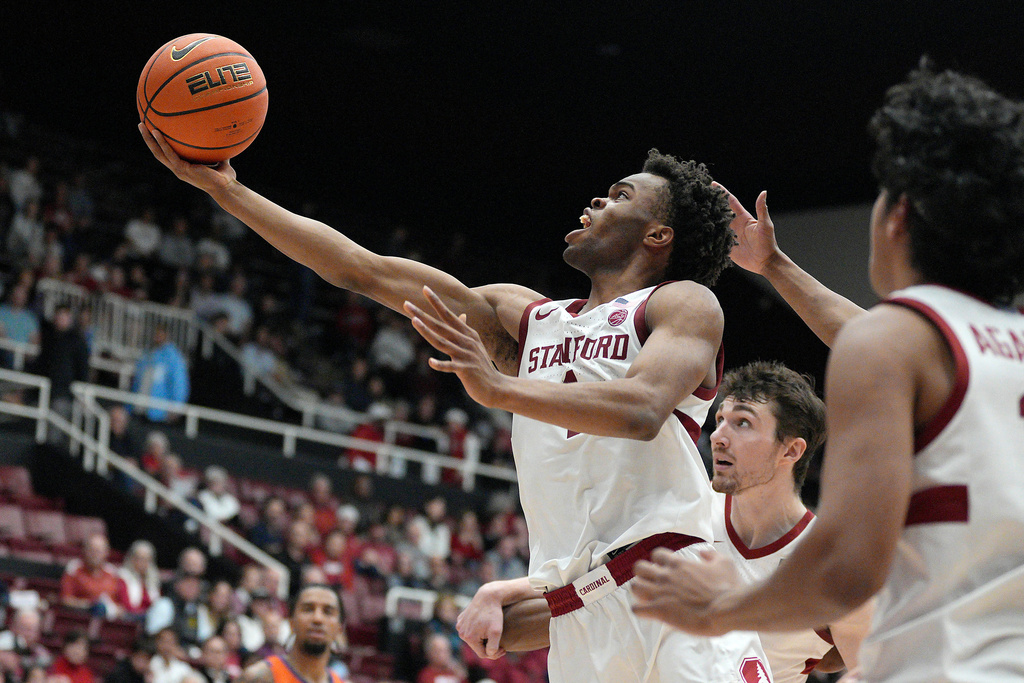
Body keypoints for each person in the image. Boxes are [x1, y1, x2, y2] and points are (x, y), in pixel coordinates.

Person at [140, 124, 767, 681]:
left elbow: (641, 408)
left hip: (680, 586)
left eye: (622, 195)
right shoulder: (525, 318)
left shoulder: (681, 303)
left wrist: (497, 389)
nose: (599, 199)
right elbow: (362, 270)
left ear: (659, 234)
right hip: (578, 609)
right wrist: (227, 191)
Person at [629, 64, 1024, 682]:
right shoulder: (991, 345)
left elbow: (847, 569)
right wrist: (775, 266)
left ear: (899, 216)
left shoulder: (892, 343)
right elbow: (874, 334)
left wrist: (719, 609)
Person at [462, 361, 874, 681]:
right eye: (720, 420)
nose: (718, 436)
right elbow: (598, 587)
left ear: (791, 451)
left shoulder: (832, 563)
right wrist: (508, 589)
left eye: (743, 423)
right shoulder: (679, 507)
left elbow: (866, 670)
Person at [238, 584, 348, 683]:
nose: (317, 618)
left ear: (340, 628)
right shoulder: (258, 678)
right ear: (291, 622)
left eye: (327, 612)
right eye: (308, 609)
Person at [132, 325, 189, 423]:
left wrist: (176, 407)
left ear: (166, 335)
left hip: (159, 413)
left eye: (160, 334)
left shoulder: (173, 357)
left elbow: (179, 384)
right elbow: (138, 381)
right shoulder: (148, 355)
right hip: (140, 409)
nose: (157, 337)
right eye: (156, 334)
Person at [61, 533, 122, 616]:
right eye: (92, 550)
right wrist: (89, 605)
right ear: (84, 550)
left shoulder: (112, 572)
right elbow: (66, 601)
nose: (95, 554)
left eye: (98, 551)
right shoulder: (74, 569)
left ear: (107, 553)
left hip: (111, 618)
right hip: (84, 617)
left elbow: (121, 605)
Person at [116, 539, 162, 618]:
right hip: (132, 617)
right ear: (131, 558)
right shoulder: (123, 576)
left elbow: (157, 604)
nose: (142, 563)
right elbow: (127, 606)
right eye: (139, 558)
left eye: (146, 559)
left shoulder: (153, 579)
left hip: (149, 617)